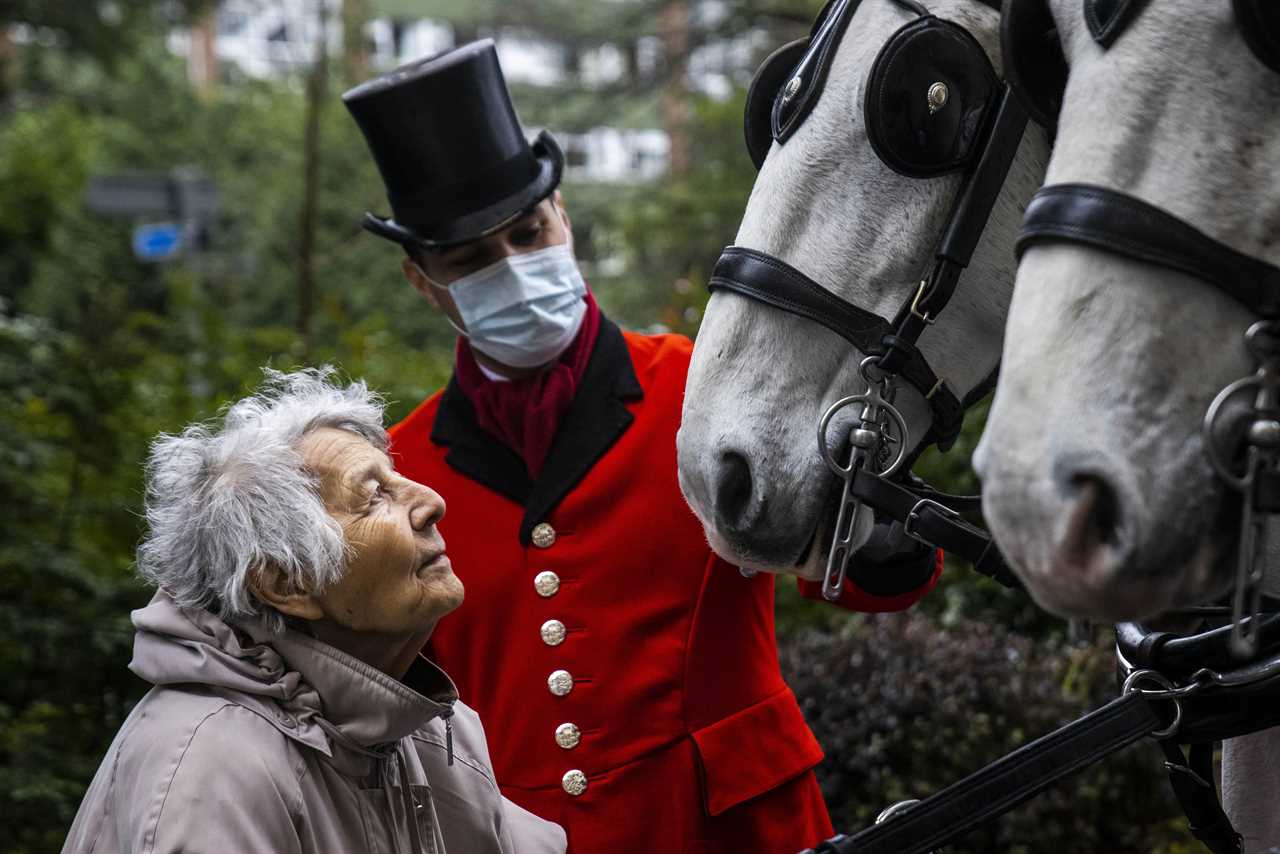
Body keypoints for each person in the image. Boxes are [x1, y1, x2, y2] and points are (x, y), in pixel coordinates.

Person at [343, 40, 942, 853]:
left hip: (740, 831)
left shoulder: (710, 389)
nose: (513, 267)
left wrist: (884, 528)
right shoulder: (398, 474)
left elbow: (853, 578)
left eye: (527, 233)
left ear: (564, 220)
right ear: (422, 280)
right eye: (471, 258)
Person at [62, 369, 566, 854]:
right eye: (373, 497)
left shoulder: (436, 732)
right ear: (286, 581)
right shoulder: (213, 766)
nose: (432, 502)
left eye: (398, 479)